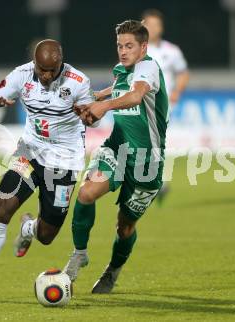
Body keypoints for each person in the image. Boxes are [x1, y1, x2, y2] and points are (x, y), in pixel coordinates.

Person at [0, 39, 93, 301]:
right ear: (34, 63)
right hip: (30, 152)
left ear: (60, 64)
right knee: (4, 205)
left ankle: (28, 229)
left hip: (64, 162)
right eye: (41, 69)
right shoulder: (21, 75)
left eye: (50, 71)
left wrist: (89, 114)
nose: (45, 76)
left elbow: (92, 116)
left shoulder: (79, 81)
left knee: (46, 236)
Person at [63, 20, 169, 294]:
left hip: (147, 163)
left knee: (125, 226)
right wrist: (96, 97)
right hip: (117, 149)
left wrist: (104, 106)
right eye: (120, 45)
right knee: (86, 193)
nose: (123, 51)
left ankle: (113, 271)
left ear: (143, 47)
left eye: (129, 46)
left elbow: (135, 96)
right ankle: (79, 254)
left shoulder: (149, 67)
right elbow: (120, 86)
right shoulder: (123, 69)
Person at [141, 9, 190, 204]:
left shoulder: (172, 51)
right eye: (149, 25)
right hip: (139, 104)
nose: (152, 29)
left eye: (156, 25)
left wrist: (178, 90)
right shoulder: (135, 49)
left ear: (161, 28)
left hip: (162, 105)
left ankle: (155, 182)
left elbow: (183, 73)